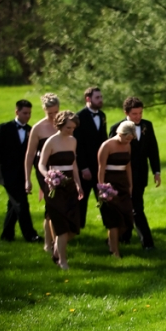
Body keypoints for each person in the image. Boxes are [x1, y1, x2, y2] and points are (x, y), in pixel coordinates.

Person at [110, 97, 161, 250]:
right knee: (126, 207)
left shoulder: (147, 126)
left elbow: (153, 150)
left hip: (140, 174)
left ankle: (136, 240)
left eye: (140, 113)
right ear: (126, 113)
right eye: (134, 114)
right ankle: (139, 240)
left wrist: (156, 171)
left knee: (136, 206)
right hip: (122, 175)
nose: (138, 117)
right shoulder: (116, 128)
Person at [0, 99, 40, 243]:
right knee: (22, 204)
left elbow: (34, 155)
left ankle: (7, 235)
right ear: (17, 112)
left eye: (29, 113)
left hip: (23, 175)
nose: (28, 116)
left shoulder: (31, 130)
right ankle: (30, 235)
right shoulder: (4, 128)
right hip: (7, 174)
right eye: (24, 113)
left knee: (14, 205)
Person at [38, 111, 84, 270]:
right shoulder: (50, 142)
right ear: (60, 125)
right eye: (68, 127)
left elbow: (74, 164)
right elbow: (41, 164)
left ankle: (57, 250)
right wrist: (48, 176)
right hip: (55, 188)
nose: (71, 131)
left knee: (74, 227)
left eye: (73, 128)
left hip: (70, 186)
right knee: (62, 228)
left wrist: (78, 184)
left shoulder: (73, 141)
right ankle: (63, 262)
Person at [24, 93, 59, 254]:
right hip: (45, 171)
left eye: (55, 112)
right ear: (44, 110)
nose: (53, 116)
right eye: (50, 113)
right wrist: (27, 179)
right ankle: (48, 241)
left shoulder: (64, 124)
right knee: (50, 205)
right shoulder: (38, 128)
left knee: (62, 205)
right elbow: (30, 155)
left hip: (63, 168)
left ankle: (59, 238)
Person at [98, 120, 135, 258]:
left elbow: (128, 166)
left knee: (127, 219)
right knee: (114, 220)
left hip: (123, 183)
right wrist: (102, 187)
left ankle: (110, 241)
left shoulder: (128, 146)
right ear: (120, 133)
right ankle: (115, 251)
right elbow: (101, 168)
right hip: (109, 184)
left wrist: (130, 185)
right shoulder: (106, 145)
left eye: (130, 139)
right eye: (126, 138)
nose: (127, 142)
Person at [73, 87, 108, 229]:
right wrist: (83, 167)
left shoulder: (102, 115)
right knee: (82, 199)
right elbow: (78, 144)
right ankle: (78, 228)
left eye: (101, 97)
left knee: (104, 197)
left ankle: (109, 227)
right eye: (97, 98)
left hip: (99, 165)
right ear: (88, 99)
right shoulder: (79, 117)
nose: (100, 100)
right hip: (85, 167)